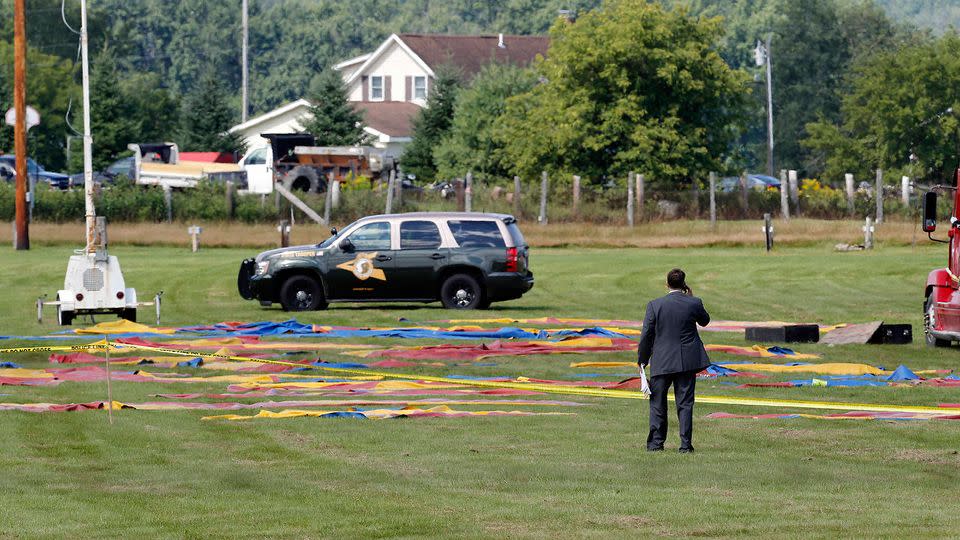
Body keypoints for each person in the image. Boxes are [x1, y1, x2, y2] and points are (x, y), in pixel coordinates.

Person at [637, 268, 711, 453]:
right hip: (686, 362)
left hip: (662, 360)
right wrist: (692, 297)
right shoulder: (694, 303)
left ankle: (656, 444)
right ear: (684, 284)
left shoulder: (655, 305)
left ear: (666, 284)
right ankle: (685, 445)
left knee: (657, 404)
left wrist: (642, 360)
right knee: (685, 403)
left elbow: (647, 334)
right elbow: (705, 321)